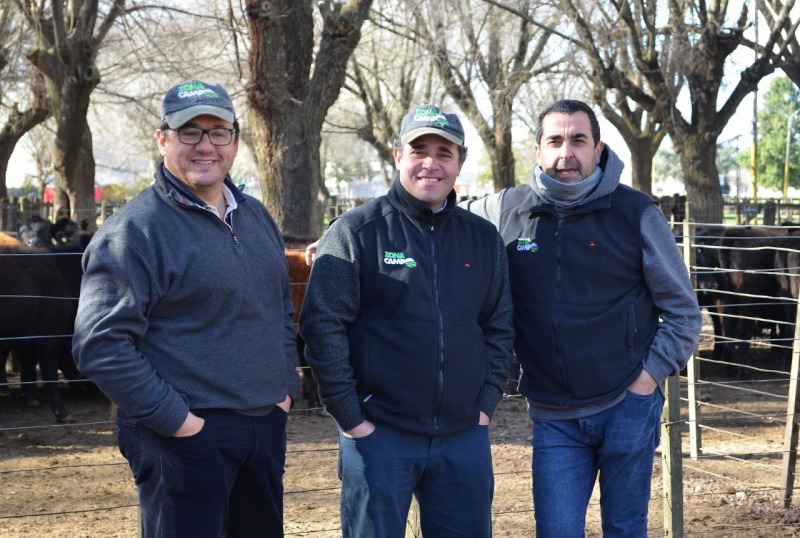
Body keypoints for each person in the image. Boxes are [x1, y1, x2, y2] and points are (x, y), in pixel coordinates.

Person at [461, 99, 703, 537]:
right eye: (554, 141)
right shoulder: (505, 210)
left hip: (627, 404)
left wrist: (646, 380)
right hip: (553, 412)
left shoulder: (637, 214)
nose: (565, 153)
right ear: (538, 149)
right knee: (556, 530)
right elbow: (432, 218)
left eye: (578, 140)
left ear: (598, 149)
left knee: (625, 530)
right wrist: (340, 239)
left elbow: (684, 312)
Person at [72, 79, 299, 538]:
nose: (205, 146)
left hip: (263, 427)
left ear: (235, 140)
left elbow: (278, 309)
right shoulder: (135, 231)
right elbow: (99, 344)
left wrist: (283, 389)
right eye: (189, 131)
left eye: (218, 132)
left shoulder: (255, 216)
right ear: (163, 140)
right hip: (184, 440)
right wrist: (179, 421)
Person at [298, 104, 515, 538]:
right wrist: (351, 416)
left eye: (444, 152)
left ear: (460, 162)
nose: (431, 163)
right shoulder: (357, 231)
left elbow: (498, 325)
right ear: (398, 155)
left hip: (463, 436)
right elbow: (322, 325)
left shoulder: (483, 238)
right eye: (419, 150)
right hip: (380, 436)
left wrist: (487, 402)